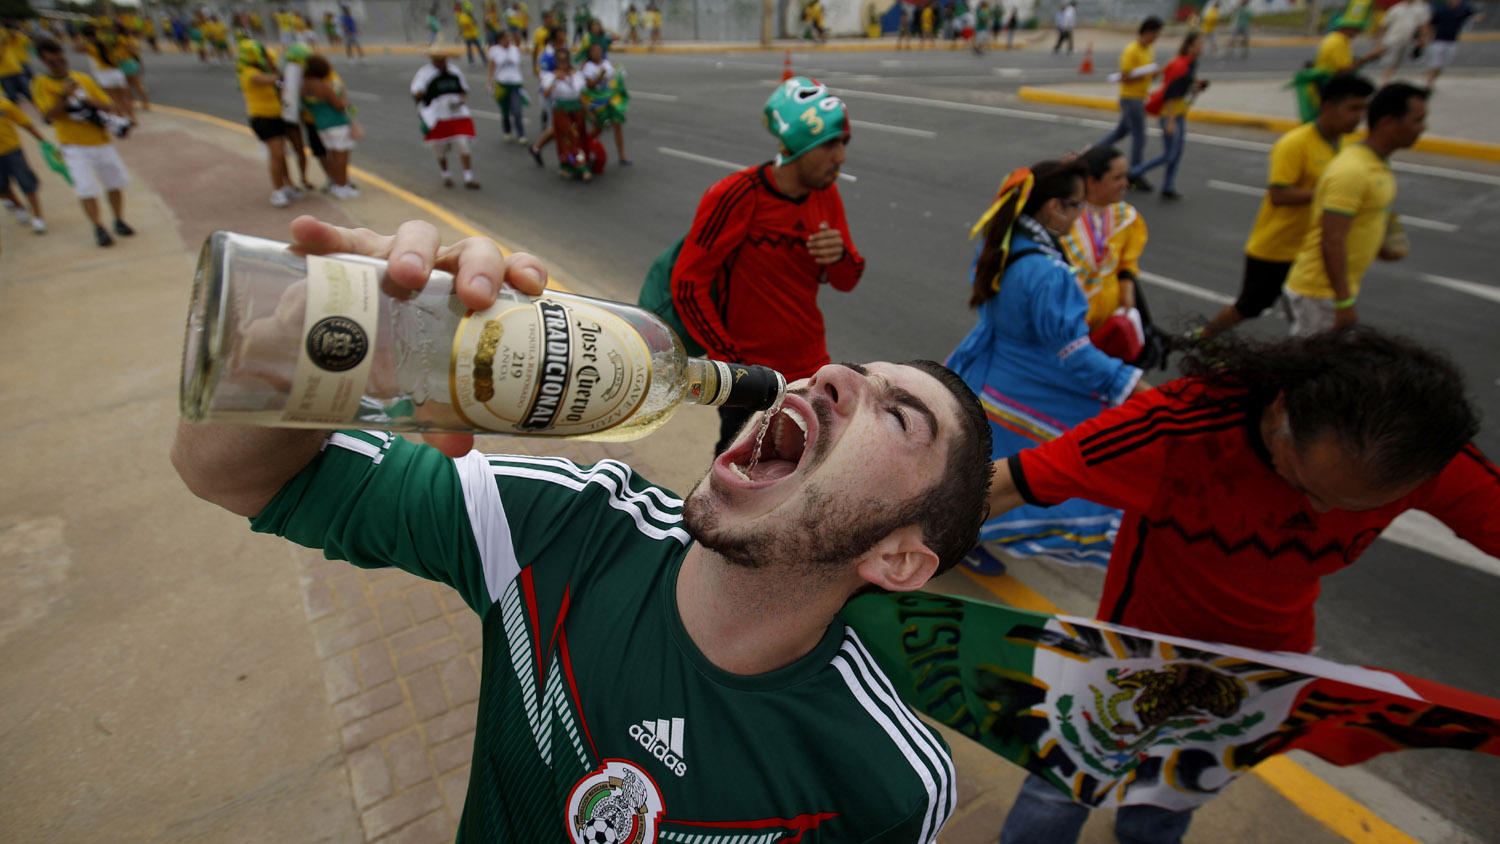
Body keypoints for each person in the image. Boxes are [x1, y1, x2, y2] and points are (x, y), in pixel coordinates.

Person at [172, 215, 997, 844]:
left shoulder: (888, 781)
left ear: (897, 558)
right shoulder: (562, 522)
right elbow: (225, 472)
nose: (835, 382)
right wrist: (310, 351)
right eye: (844, 372)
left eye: (897, 416)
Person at [988, 325, 1499, 844]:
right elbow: (1009, 482)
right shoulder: (1182, 425)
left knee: (1178, 788)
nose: (1318, 513)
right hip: (1136, 648)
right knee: (1062, 781)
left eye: (1356, 508)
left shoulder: (1424, 452)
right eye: (1304, 484)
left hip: (1262, 667)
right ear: (1280, 412)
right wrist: (908, 532)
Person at [947, 160, 1146, 569]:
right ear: (1054, 208)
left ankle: (954, 536)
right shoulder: (1049, 272)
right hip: (1029, 388)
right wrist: (1129, 385)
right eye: (1076, 206)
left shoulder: (1002, 246)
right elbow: (1074, 354)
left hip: (986, 376)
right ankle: (955, 539)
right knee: (1056, 468)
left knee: (975, 471)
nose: (1081, 215)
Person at [670, 78, 865, 455]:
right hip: (751, 378)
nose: (840, 157)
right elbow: (688, 284)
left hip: (811, 367)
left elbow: (847, 280)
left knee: (804, 470)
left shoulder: (827, 194)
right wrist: (733, 364)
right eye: (829, 144)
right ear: (797, 144)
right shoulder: (738, 195)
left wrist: (839, 256)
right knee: (739, 469)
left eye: (844, 143)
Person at [1202, 74, 1374, 340]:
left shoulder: (1351, 146)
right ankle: (1203, 339)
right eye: (1353, 108)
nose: (1359, 116)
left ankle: (1296, 364)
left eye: (1363, 108)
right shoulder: (1295, 143)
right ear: (1328, 107)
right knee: (1250, 306)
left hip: (1311, 252)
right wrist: (1327, 194)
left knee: (1311, 317)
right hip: (1276, 248)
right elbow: (1279, 195)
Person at [1283, 82, 1427, 336]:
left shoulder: (1375, 163)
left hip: (1329, 291)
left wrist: (1382, 243)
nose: (1422, 128)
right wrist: (1344, 302)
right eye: (1417, 120)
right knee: (1311, 370)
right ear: (1388, 122)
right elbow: (1332, 239)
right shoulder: (1353, 170)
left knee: (1318, 368)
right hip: (1318, 292)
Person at [29, 38, 134, 247]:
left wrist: (87, 100)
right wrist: (65, 98)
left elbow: (109, 105)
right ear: (44, 61)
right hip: (73, 146)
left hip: (101, 141)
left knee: (115, 183)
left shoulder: (82, 79)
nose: (59, 64)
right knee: (86, 188)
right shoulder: (41, 84)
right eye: (52, 62)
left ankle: (119, 220)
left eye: (61, 59)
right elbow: (48, 116)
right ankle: (98, 227)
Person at [1058, 146, 1154, 366]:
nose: (1126, 183)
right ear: (1092, 182)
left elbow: (1127, 261)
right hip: (1071, 327)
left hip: (1110, 325)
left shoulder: (1126, 216)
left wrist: (1127, 290)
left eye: (1126, 176)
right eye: (1117, 178)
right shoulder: (1065, 219)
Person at [1130, 31, 1209, 200]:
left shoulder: (1191, 63)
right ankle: (1131, 174)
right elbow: (1170, 93)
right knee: (1169, 155)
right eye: (1199, 44)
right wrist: (1171, 121)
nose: (1202, 47)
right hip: (1170, 115)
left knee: (1176, 154)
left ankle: (1168, 186)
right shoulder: (1180, 65)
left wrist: (1197, 86)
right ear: (1189, 46)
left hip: (1180, 113)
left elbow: (1183, 88)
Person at [1096, 17, 1162, 182]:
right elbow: (1124, 76)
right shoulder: (1131, 50)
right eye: (1155, 34)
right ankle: (1136, 174)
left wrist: (1152, 74)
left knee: (1121, 132)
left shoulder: (1150, 49)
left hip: (1140, 97)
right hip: (1130, 97)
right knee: (1139, 136)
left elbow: (1148, 72)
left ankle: (1092, 153)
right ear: (1147, 32)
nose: (1156, 37)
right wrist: (1141, 75)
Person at [237, 39, 300, 208]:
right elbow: (265, 80)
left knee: (282, 155)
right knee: (277, 155)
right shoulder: (249, 72)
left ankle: (288, 185)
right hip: (263, 119)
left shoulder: (262, 69)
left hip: (276, 116)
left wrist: (272, 64)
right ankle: (277, 190)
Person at [411, 47, 481, 189]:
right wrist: (419, 93)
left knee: (463, 144)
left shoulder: (454, 71)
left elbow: (463, 90)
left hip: (456, 114)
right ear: (433, 60)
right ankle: (446, 174)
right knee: (439, 147)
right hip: (437, 116)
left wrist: (462, 100)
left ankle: (468, 177)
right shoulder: (425, 73)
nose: (442, 63)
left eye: (443, 60)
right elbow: (416, 92)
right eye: (439, 61)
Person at [302, 55, 358, 198]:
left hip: (321, 126)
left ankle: (335, 184)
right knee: (341, 157)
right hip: (336, 124)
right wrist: (344, 96)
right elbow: (339, 105)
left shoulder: (305, 86)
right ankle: (342, 186)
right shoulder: (324, 86)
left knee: (332, 156)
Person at [539, 48, 595, 179]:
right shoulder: (550, 76)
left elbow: (579, 96)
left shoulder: (577, 75)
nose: (562, 63)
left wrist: (589, 113)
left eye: (565, 60)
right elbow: (546, 95)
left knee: (579, 136)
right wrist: (555, 79)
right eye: (560, 60)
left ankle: (567, 165)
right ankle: (582, 166)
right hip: (561, 109)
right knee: (569, 137)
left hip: (577, 109)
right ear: (556, 62)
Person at [0, 93, 47, 233]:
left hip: (13, 151)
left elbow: (25, 123)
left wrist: (43, 141)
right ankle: (20, 207)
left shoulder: (4, 105)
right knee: (2, 188)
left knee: (27, 183)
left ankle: (38, 218)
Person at [581, 40, 628, 166]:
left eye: (599, 51)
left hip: (610, 98)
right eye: (594, 51)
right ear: (590, 53)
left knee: (617, 125)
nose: (597, 53)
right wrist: (599, 78)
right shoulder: (588, 67)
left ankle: (622, 156)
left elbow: (612, 79)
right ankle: (585, 148)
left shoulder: (606, 63)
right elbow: (589, 85)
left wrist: (619, 76)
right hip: (597, 100)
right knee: (598, 129)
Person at [1424, 0, 1484, 89]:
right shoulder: (1441, 10)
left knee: (1441, 65)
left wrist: (1475, 18)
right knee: (1435, 64)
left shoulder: (1463, 10)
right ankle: (1428, 84)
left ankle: (1431, 81)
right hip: (1438, 41)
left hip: (1451, 41)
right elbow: (1431, 24)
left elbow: (1476, 15)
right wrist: (1427, 38)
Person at [79, 24, 132, 122]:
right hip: (116, 71)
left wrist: (82, 38)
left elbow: (78, 48)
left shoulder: (90, 47)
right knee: (124, 98)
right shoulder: (107, 42)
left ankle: (122, 117)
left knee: (113, 99)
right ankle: (133, 118)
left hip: (104, 73)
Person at [487, 29, 527, 144]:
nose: (508, 40)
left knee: (517, 110)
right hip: (502, 84)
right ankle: (507, 130)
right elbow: (491, 67)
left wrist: (521, 81)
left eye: (509, 38)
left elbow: (518, 66)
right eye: (505, 38)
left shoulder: (515, 50)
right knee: (505, 111)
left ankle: (521, 134)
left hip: (515, 84)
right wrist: (489, 83)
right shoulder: (494, 50)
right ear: (499, 39)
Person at [1377, 0, 1431, 84]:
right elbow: (1385, 24)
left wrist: (1422, 39)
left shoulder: (1420, 9)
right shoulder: (1396, 8)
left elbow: (1424, 25)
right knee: (1391, 61)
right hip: (1393, 38)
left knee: (1400, 62)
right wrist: (1379, 41)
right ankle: (1385, 81)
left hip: (1408, 40)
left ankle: (1388, 80)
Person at [115, 22, 149, 114]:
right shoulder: (130, 39)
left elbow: (133, 51)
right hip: (128, 63)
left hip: (126, 63)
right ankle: (143, 103)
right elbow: (136, 52)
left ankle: (139, 103)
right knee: (133, 85)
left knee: (132, 85)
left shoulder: (121, 40)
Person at [1, 22, 33, 107]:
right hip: (4, 73)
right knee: (12, 98)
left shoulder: (10, 35)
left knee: (30, 92)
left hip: (16, 67)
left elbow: (28, 43)